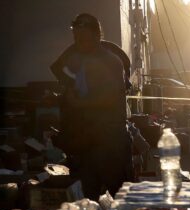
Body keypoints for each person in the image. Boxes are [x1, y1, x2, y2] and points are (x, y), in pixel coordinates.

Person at [50, 13, 130, 199]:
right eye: (76, 38)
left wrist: (79, 102)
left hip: (110, 140)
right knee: (87, 195)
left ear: (97, 35)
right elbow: (57, 68)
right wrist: (69, 86)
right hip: (85, 140)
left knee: (117, 194)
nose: (79, 43)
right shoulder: (78, 57)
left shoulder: (110, 61)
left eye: (84, 38)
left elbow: (109, 97)